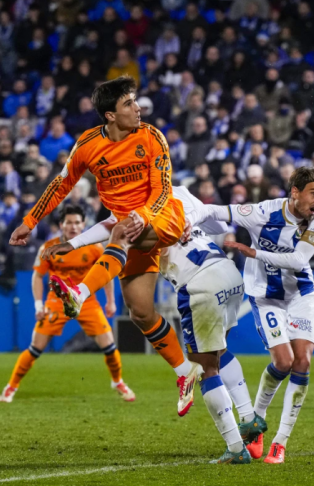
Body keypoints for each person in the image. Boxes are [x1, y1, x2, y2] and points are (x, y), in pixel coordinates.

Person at [9, 77, 198, 416]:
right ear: (110, 115)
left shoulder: (152, 136)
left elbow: (162, 188)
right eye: (129, 104)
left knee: (120, 231)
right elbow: (60, 184)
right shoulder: (87, 145)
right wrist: (31, 221)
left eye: (135, 101)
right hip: (129, 229)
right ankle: (185, 372)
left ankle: (79, 294)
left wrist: (142, 215)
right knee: (140, 312)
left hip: (163, 215)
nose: (138, 108)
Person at [59, 187, 266, 465]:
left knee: (204, 366)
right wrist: (192, 217)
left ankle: (235, 447)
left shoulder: (138, 211)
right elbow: (218, 223)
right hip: (229, 273)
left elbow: (113, 230)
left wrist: (76, 246)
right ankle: (249, 417)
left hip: (201, 283)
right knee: (218, 351)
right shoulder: (178, 193)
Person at [201, 167, 314, 464]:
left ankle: (280, 443)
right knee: (282, 362)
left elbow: (299, 260)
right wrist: (184, 221)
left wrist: (254, 252)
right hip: (265, 295)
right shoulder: (262, 212)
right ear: (294, 192)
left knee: (303, 361)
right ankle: (255, 421)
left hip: (301, 293)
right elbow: (215, 210)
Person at [0, 205, 134, 403]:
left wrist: (111, 302)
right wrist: (38, 305)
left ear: (84, 224)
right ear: (61, 225)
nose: (73, 226)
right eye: (69, 222)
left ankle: (118, 381)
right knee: (35, 348)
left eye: (77, 222)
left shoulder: (95, 248)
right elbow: (38, 276)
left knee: (110, 346)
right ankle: (11, 386)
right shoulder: (48, 248)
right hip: (57, 303)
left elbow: (106, 275)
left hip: (87, 302)